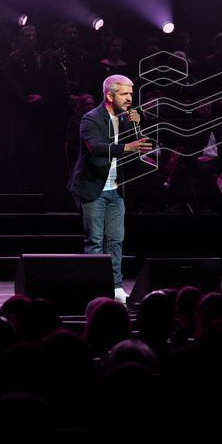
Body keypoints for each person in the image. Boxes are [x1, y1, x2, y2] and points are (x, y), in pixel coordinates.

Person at [68, 75, 153, 303]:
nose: (130, 98)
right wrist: (127, 147)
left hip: (115, 189)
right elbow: (95, 148)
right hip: (92, 187)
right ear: (109, 95)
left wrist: (136, 126)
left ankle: (115, 287)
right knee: (95, 241)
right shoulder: (90, 119)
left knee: (116, 240)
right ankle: (94, 288)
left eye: (131, 94)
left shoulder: (126, 119)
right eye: (125, 94)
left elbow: (137, 149)